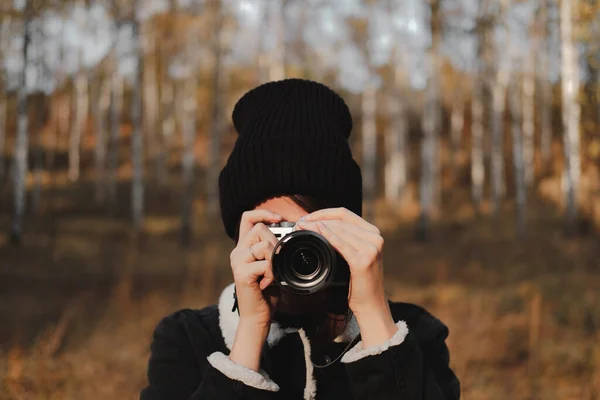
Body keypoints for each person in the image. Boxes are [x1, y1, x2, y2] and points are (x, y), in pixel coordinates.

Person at [140, 79, 460, 400]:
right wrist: (250, 332)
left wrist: (375, 321)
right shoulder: (188, 339)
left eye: (311, 232)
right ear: (240, 235)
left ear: (349, 230)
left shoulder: (413, 334)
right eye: (275, 230)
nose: (294, 251)